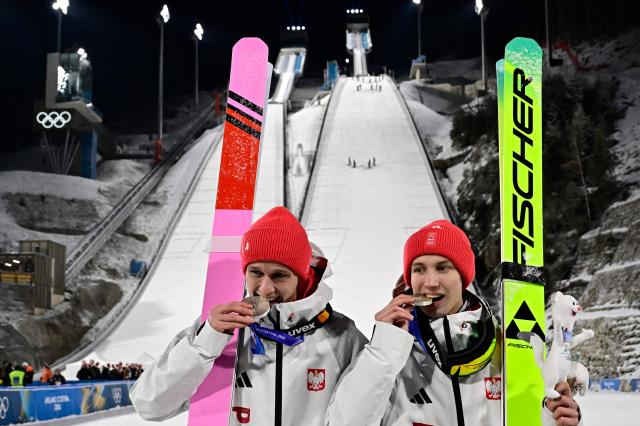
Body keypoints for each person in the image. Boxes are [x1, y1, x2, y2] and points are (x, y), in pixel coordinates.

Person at [327, 219, 583, 426]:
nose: (430, 282)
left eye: (442, 267)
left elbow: (529, 415)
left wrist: (558, 418)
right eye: (419, 269)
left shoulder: (505, 346)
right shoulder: (390, 349)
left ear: (463, 278)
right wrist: (383, 350)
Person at [130, 207, 367, 424]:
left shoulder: (342, 336)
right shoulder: (218, 329)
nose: (265, 289)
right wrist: (206, 342)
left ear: (302, 278)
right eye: (256, 273)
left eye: (280, 275)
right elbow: (150, 406)